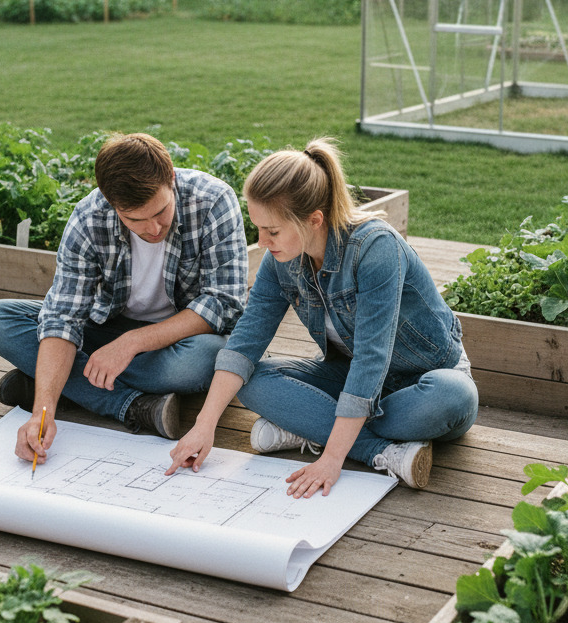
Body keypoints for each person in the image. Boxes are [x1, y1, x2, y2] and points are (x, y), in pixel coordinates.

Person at [166, 137, 477, 497]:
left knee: (453, 398)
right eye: (258, 228)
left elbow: (371, 359)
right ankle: (379, 451)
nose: (262, 241)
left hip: (423, 380)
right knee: (250, 379)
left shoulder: (376, 249)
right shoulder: (279, 260)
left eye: (272, 230)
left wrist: (332, 458)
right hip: (348, 378)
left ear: (314, 219)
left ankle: (310, 426)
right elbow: (245, 341)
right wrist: (205, 425)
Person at [0, 132, 248, 467]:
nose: (153, 228)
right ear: (111, 202)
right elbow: (63, 317)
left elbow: (225, 303)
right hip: (105, 329)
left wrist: (132, 343)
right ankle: (133, 406)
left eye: (161, 211)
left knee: (206, 359)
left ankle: (55, 381)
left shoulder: (213, 200)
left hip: (183, 338)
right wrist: (42, 412)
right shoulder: (88, 218)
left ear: (172, 179)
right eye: (136, 219)